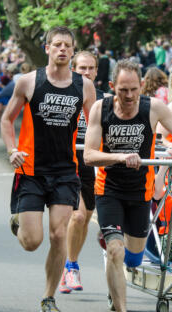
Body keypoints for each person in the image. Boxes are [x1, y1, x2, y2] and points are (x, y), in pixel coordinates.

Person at [83, 59, 172, 312]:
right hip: (109, 189)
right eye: (123, 90)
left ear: (141, 86)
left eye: (134, 90)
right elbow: (88, 155)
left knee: (133, 258)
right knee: (115, 251)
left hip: (140, 192)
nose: (128, 97)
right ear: (113, 87)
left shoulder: (153, 108)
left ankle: (115, 248)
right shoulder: (99, 109)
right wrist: (119, 157)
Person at [0, 26, 96, 312]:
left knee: (58, 235)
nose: (63, 50)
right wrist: (11, 149)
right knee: (32, 242)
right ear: (48, 48)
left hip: (66, 170)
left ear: (73, 49)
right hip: (31, 171)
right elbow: (7, 119)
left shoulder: (84, 86)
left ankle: (49, 298)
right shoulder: (29, 82)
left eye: (68, 45)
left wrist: (98, 153)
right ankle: (19, 219)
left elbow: (95, 125)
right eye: (57, 45)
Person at [59, 51, 107, 294]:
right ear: (73, 69)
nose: (86, 73)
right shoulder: (64, 96)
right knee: (77, 216)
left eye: (90, 68)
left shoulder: (104, 101)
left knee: (86, 216)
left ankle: (71, 262)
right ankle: (70, 267)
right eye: (81, 68)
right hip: (67, 160)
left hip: (91, 161)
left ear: (96, 71)